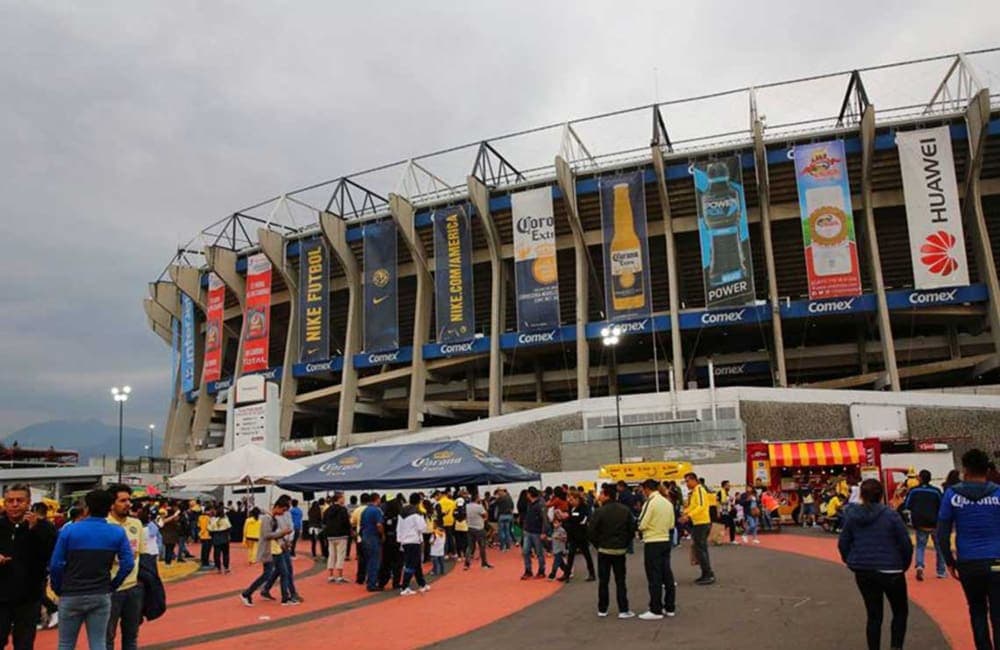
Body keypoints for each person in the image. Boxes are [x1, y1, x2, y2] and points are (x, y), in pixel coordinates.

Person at [50, 488, 134, 650]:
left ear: (86, 508)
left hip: (71, 592)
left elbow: (56, 564)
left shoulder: (69, 530)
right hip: (100, 592)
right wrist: (113, 584)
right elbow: (128, 563)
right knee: (98, 643)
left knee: (66, 643)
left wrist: (57, 587)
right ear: (109, 508)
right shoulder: (117, 532)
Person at [936, 448, 1000, 650]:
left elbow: (942, 534)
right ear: (986, 470)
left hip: (968, 564)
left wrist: (949, 562)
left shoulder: (951, 495)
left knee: (977, 609)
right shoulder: (998, 493)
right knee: (998, 612)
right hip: (997, 563)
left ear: (965, 469)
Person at [838, 478, 913, 650]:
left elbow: (843, 542)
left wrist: (850, 561)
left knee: (873, 615)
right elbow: (905, 543)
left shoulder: (852, 516)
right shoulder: (891, 515)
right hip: (891, 568)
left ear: (862, 496)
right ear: (880, 496)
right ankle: (896, 646)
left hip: (864, 569)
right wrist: (904, 564)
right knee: (900, 611)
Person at [0, 484, 52, 649]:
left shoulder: (44, 527)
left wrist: (35, 530)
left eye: (19, 500)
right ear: (4, 503)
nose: (14, 504)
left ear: (28, 502)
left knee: (24, 644)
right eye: (10, 501)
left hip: (29, 597)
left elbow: (49, 554)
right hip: (0, 597)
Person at [106, 484, 145, 650]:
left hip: (133, 588)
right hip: (110, 590)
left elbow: (141, 554)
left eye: (129, 500)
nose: (128, 504)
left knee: (131, 637)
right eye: (122, 500)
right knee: (107, 637)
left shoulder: (136, 524)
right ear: (111, 504)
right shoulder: (104, 525)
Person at [588, 484, 636, 619]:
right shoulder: (625, 510)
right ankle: (623, 609)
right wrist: (625, 543)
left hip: (604, 550)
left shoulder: (599, 511)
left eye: (602, 494)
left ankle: (602, 609)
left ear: (607, 495)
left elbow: (591, 531)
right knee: (620, 581)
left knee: (603, 581)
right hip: (619, 550)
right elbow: (632, 529)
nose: (599, 496)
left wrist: (598, 545)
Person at [239, 499, 293, 606]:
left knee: (280, 573)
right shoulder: (267, 518)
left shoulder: (271, 518)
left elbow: (273, 535)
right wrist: (283, 533)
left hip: (275, 549)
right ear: (277, 507)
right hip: (270, 550)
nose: (283, 513)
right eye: (283, 510)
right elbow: (267, 535)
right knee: (270, 574)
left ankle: (285, 598)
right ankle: (247, 593)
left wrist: (283, 542)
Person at [637, 478, 676, 620]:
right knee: (667, 575)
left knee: (654, 576)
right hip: (665, 539)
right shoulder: (667, 502)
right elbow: (672, 524)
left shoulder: (650, 502)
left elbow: (642, 523)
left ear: (647, 489)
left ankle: (655, 609)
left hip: (653, 541)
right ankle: (670, 607)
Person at [902, 469, 946, 581]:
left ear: (920, 478)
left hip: (920, 523)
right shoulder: (936, 491)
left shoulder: (914, 491)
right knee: (939, 547)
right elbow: (942, 506)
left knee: (920, 546)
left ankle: (920, 566)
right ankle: (941, 571)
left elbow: (907, 505)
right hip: (935, 523)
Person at [261, 495, 301, 604]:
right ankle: (290, 594)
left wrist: (290, 540)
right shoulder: (273, 516)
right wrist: (283, 539)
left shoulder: (287, 513)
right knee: (286, 570)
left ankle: (267, 588)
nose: (285, 510)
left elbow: (290, 527)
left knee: (281, 570)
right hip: (278, 544)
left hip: (285, 542)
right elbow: (274, 531)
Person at [679, 472, 715, 585]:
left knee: (701, 550)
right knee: (700, 549)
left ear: (694, 480)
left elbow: (701, 506)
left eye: (688, 481)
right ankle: (706, 573)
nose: (687, 484)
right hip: (699, 522)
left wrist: (688, 515)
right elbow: (693, 506)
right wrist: (685, 513)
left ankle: (708, 574)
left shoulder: (699, 490)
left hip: (702, 523)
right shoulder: (695, 491)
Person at [31, 502, 60, 631]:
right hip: (46, 563)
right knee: (37, 592)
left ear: (36, 511)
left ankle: (52, 611)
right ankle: (40, 617)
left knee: (37, 592)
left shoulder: (39, 526)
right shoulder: (51, 526)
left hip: (39, 564)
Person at [398, 493, 430, 595]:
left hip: (405, 540)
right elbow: (422, 528)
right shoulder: (417, 512)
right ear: (419, 501)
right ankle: (405, 587)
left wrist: (400, 540)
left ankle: (422, 584)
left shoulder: (402, 511)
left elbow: (399, 528)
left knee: (416, 564)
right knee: (411, 564)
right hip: (413, 540)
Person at [563, 491, 595, 582]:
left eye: (572, 499)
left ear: (577, 499)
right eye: (569, 499)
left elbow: (580, 518)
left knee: (587, 555)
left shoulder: (583, 507)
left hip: (582, 536)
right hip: (573, 535)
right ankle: (567, 575)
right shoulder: (570, 508)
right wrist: (569, 519)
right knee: (570, 556)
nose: (570, 501)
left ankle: (592, 573)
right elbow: (572, 520)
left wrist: (569, 518)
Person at [323, 493, 351, 583]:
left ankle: (330, 575)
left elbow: (324, 522)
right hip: (341, 535)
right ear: (339, 499)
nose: (344, 499)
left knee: (332, 555)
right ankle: (340, 576)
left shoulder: (327, 510)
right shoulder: (343, 509)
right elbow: (346, 522)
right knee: (341, 555)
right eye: (343, 498)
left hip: (330, 535)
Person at [520, 487, 546, 579]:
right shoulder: (530, 504)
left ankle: (541, 570)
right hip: (528, 530)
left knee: (539, 552)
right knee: (525, 551)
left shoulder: (539, 504)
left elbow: (544, 519)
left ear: (530, 494)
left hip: (536, 531)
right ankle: (528, 570)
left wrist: (543, 532)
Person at [361, 493, 385, 592]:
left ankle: (369, 580)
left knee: (369, 560)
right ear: (377, 499)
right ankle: (372, 583)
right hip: (373, 537)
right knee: (375, 561)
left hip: (365, 536)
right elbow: (379, 524)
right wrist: (383, 534)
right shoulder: (376, 510)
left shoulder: (365, 510)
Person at [464, 493, 492, 570]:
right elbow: (485, 515)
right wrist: (484, 519)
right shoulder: (479, 507)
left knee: (470, 546)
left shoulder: (467, 506)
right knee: (482, 546)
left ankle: (467, 564)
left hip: (470, 527)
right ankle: (484, 564)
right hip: (479, 528)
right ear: (477, 498)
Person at [208, 505, 232, 574]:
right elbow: (229, 528)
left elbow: (209, 529)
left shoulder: (212, 519)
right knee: (226, 553)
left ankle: (218, 568)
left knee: (216, 554)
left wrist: (213, 536)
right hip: (224, 537)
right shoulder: (225, 519)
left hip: (216, 537)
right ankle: (226, 567)